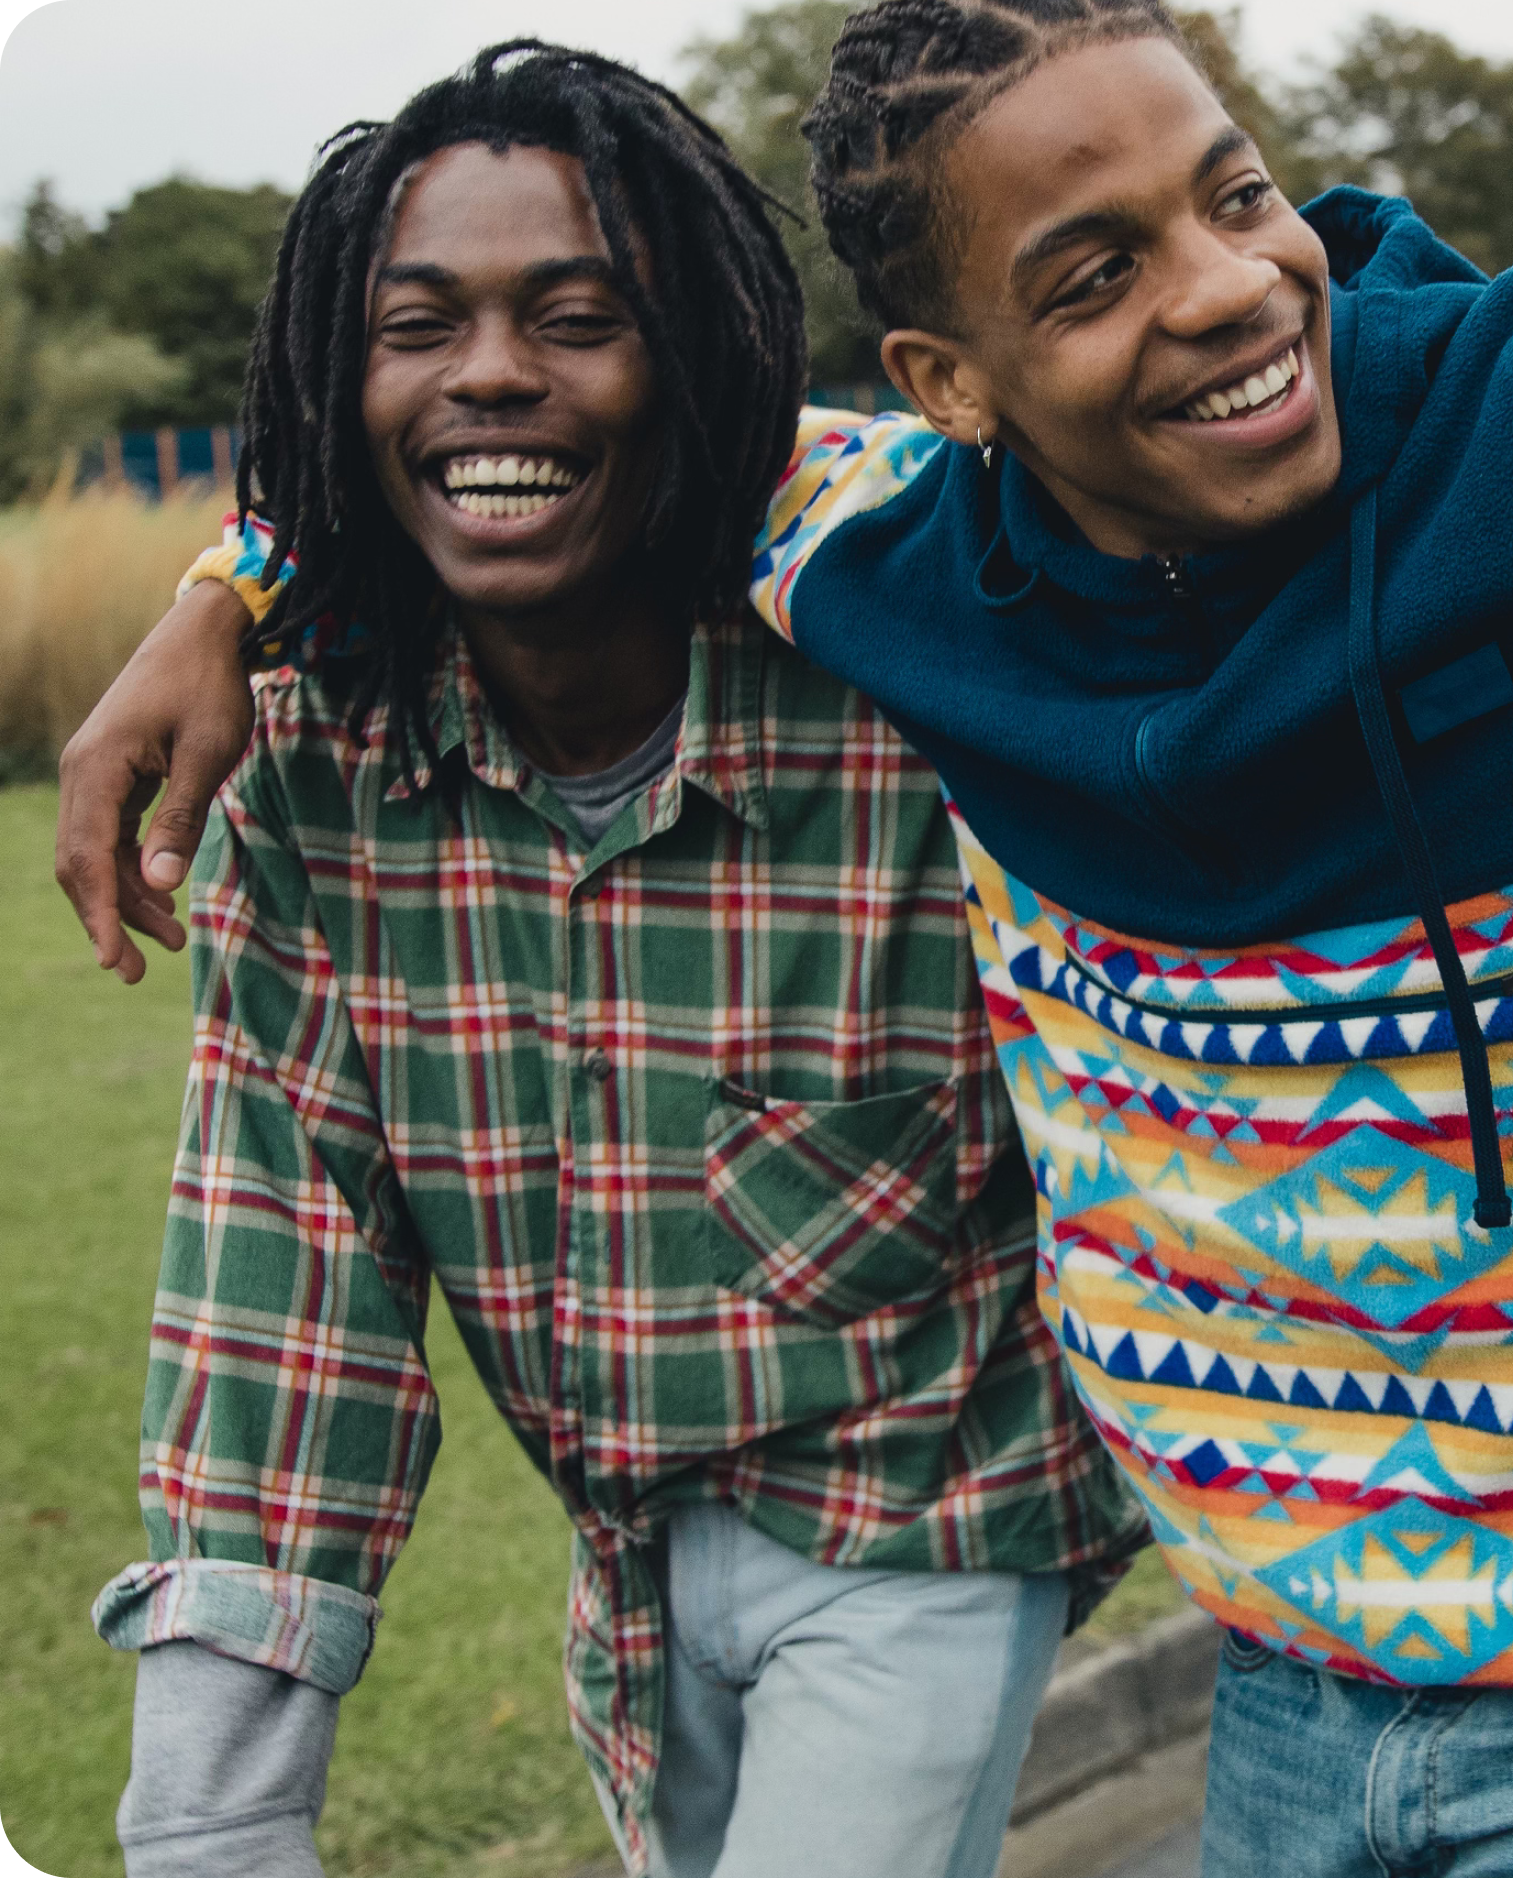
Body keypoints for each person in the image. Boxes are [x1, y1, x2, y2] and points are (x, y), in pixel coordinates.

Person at [55, 2, 1513, 1872]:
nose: (1222, 288)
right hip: (1288, 1693)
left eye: (1234, 197)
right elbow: (532, 441)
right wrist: (232, 585)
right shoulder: (878, 555)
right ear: (947, 383)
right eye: (1090, 272)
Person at [68, 42, 1146, 1878]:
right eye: (420, 324)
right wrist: (212, 1814)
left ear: (698, 363)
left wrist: (224, 572)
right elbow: (281, 1273)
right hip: (629, 1581)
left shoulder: (909, 638)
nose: (493, 370)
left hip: (933, 1523)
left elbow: (1055, 440)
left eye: (580, 317)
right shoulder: (310, 767)